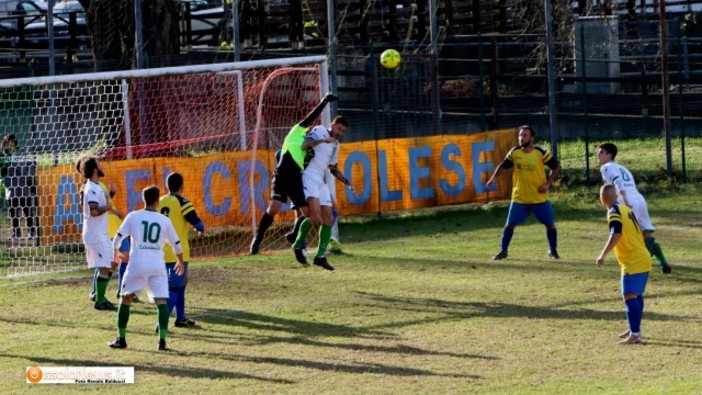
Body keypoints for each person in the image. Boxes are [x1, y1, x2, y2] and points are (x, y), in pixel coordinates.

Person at [249, 92, 338, 255]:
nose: (308, 127)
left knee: (310, 214)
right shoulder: (296, 132)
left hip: (296, 179)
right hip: (282, 175)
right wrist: (324, 101)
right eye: (307, 125)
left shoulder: (308, 145)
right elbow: (312, 117)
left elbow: (313, 158)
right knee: (273, 208)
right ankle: (257, 240)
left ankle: (295, 235)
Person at [108, 185, 185, 351]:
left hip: (137, 263)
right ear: (157, 201)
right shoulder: (164, 220)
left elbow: (118, 238)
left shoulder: (133, 216)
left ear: (143, 199)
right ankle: (162, 342)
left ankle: (121, 339)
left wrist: (116, 254)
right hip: (157, 263)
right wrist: (180, 261)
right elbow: (176, 244)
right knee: (161, 301)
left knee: (125, 299)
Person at [485, 125, 560, 260]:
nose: (521, 138)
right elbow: (502, 166)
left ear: (532, 138)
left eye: (525, 135)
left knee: (550, 225)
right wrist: (492, 179)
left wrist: (548, 184)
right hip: (519, 198)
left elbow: (556, 167)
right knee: (509, 225)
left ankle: (553, 250)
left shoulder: (541, 153)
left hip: (539, 198)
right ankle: (503, 251)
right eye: (520, 135)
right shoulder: (514, 152)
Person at [596, 143, 672, 274]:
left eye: (601, 152)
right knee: (646, 233)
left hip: (628, 201)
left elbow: (618, 181)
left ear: (609, 155)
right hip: (639, 199)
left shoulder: (606, 167)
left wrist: (624, 198)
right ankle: (664, 264)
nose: (598, 155)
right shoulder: (622, 167)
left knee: (630, 234)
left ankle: (642, 262)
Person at [291, 115, 350, 270]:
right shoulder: (319, 130)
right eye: (338, 128)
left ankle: (320, 256)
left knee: (328, 218)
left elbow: (333, 168)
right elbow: (304, 145)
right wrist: (323, 141)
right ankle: (297, 244)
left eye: (342, 131)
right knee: (315, 216)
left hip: (321, 181)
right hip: (309, 176)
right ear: (332, 124)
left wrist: (346, 181)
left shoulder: (336, 145)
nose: (339, 132)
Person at [596, 183, 652, 345]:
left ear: (602, 199)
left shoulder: (613, 211)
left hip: (634, 260)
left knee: (629, 295)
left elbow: (616, 234)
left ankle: (635, 334)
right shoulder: (626, 209)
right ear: (616, 196)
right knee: (634, 295)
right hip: (642, 257)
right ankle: (633, 327)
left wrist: (602, 254)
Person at [77, 155, 124, 310]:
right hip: (95, 234)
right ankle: (99, 300)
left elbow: (101, 206)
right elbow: (94, 211)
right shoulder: (91, 188)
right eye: (99, 164)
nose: (102, 166)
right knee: (106, 266)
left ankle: (99, 296)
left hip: (100, 233)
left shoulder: (96, 186)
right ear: (95, 169)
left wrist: (109, 197)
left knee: (112, 262)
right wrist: (109, 207)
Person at [158, 172, 205, 328]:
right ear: (182, 186)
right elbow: (196, 222)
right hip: (178, 252)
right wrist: (200, 229)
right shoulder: (182, 201)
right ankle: (161, 324)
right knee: (174, 288)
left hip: (161, 252)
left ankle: (181, 317)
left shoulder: (159, 201)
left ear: (167, 186)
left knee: (182, 283)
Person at [1, 134, 39, 243]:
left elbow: (32, 165)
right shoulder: (4, 156)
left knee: (27, 210)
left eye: (10, 142)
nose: (8, 145)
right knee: (13, 212)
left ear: (14, 142)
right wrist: (4, 180)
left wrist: (27, 179)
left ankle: (32, 232)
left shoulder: (23, 153)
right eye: (6, 143)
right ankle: (16, 233)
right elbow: (1, 170)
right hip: (11, 188)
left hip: (23, 187)